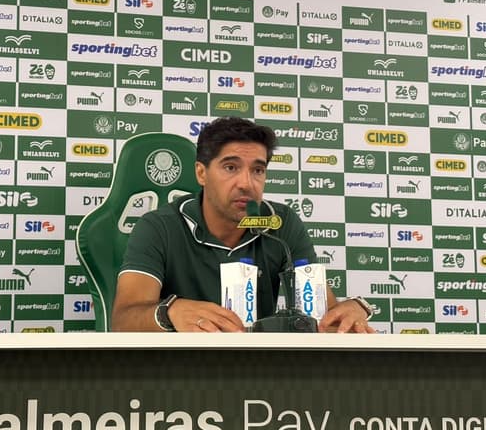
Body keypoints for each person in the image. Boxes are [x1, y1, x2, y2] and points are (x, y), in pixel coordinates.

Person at [111, 116, 375, 333]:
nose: (246, 184)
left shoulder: (280, 224)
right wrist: (170, 312)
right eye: (230, 167)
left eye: (257, 170)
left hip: (256, 370)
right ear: (201, 173)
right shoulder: (159, 226)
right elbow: (123, 320)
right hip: (179, 373)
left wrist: (351, 311)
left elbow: (323, 318)